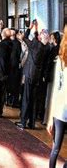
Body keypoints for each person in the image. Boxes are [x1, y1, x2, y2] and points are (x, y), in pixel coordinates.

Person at [16, 20, 50, 130]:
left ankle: (23, 122)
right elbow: (35, 40)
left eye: (40, 34)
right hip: (37, 77)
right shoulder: (46, 48)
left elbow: (24, 38)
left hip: (29, 75)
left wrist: (30, 28)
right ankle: (31, 123)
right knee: (33, 100)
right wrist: (35, 29)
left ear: (41, 38)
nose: (39, 35)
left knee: (26, 99)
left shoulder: (36, 46)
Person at [47, 26, 67, 168]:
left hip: (60, 109)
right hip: (61, 110)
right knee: (55, 149)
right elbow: (56, 90)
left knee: (55, 149)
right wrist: (50, 118)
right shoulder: (61, 60)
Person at [7, 29, 23, 107]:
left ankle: (13, 101)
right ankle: (9, 100)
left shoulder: (17, 43)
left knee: (14, 85)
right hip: (9, 66)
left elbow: (19, 54)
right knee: (9, 85)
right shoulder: (8, 42)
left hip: (15, 67)